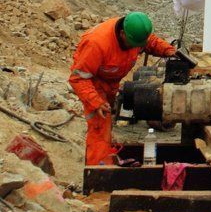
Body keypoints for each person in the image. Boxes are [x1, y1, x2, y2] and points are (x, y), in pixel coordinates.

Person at [69, 12, 176, 166]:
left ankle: (111, 157)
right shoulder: (96, 44)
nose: (135, 48)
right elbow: (78, 78)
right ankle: (99, 173)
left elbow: (150, 42)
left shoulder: (135, 34)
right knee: (100, 126)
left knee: (112, 123)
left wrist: (169, 51)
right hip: (94, 84)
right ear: (122, 34)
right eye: (132, 44)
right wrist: (95, 101)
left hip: (112, 83)